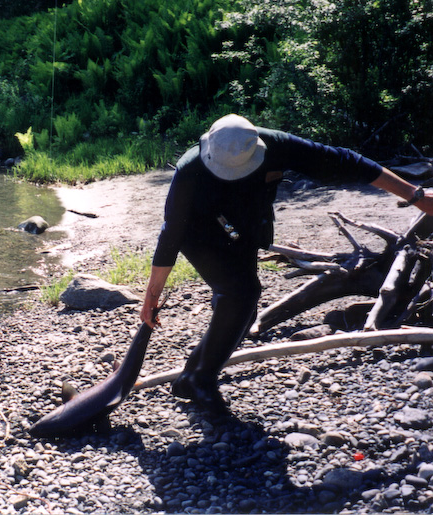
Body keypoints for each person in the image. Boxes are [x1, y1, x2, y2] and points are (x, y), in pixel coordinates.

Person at [140, 114, 433, 412]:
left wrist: (416, 195)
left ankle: (190, 377)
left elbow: (349, 161)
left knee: (243, 308)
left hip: (242, 230)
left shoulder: (278, 145)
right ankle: (202, 379)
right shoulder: (190, 170)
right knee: (241, 294)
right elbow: (171, 233)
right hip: (198, 235)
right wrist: (152, 295)